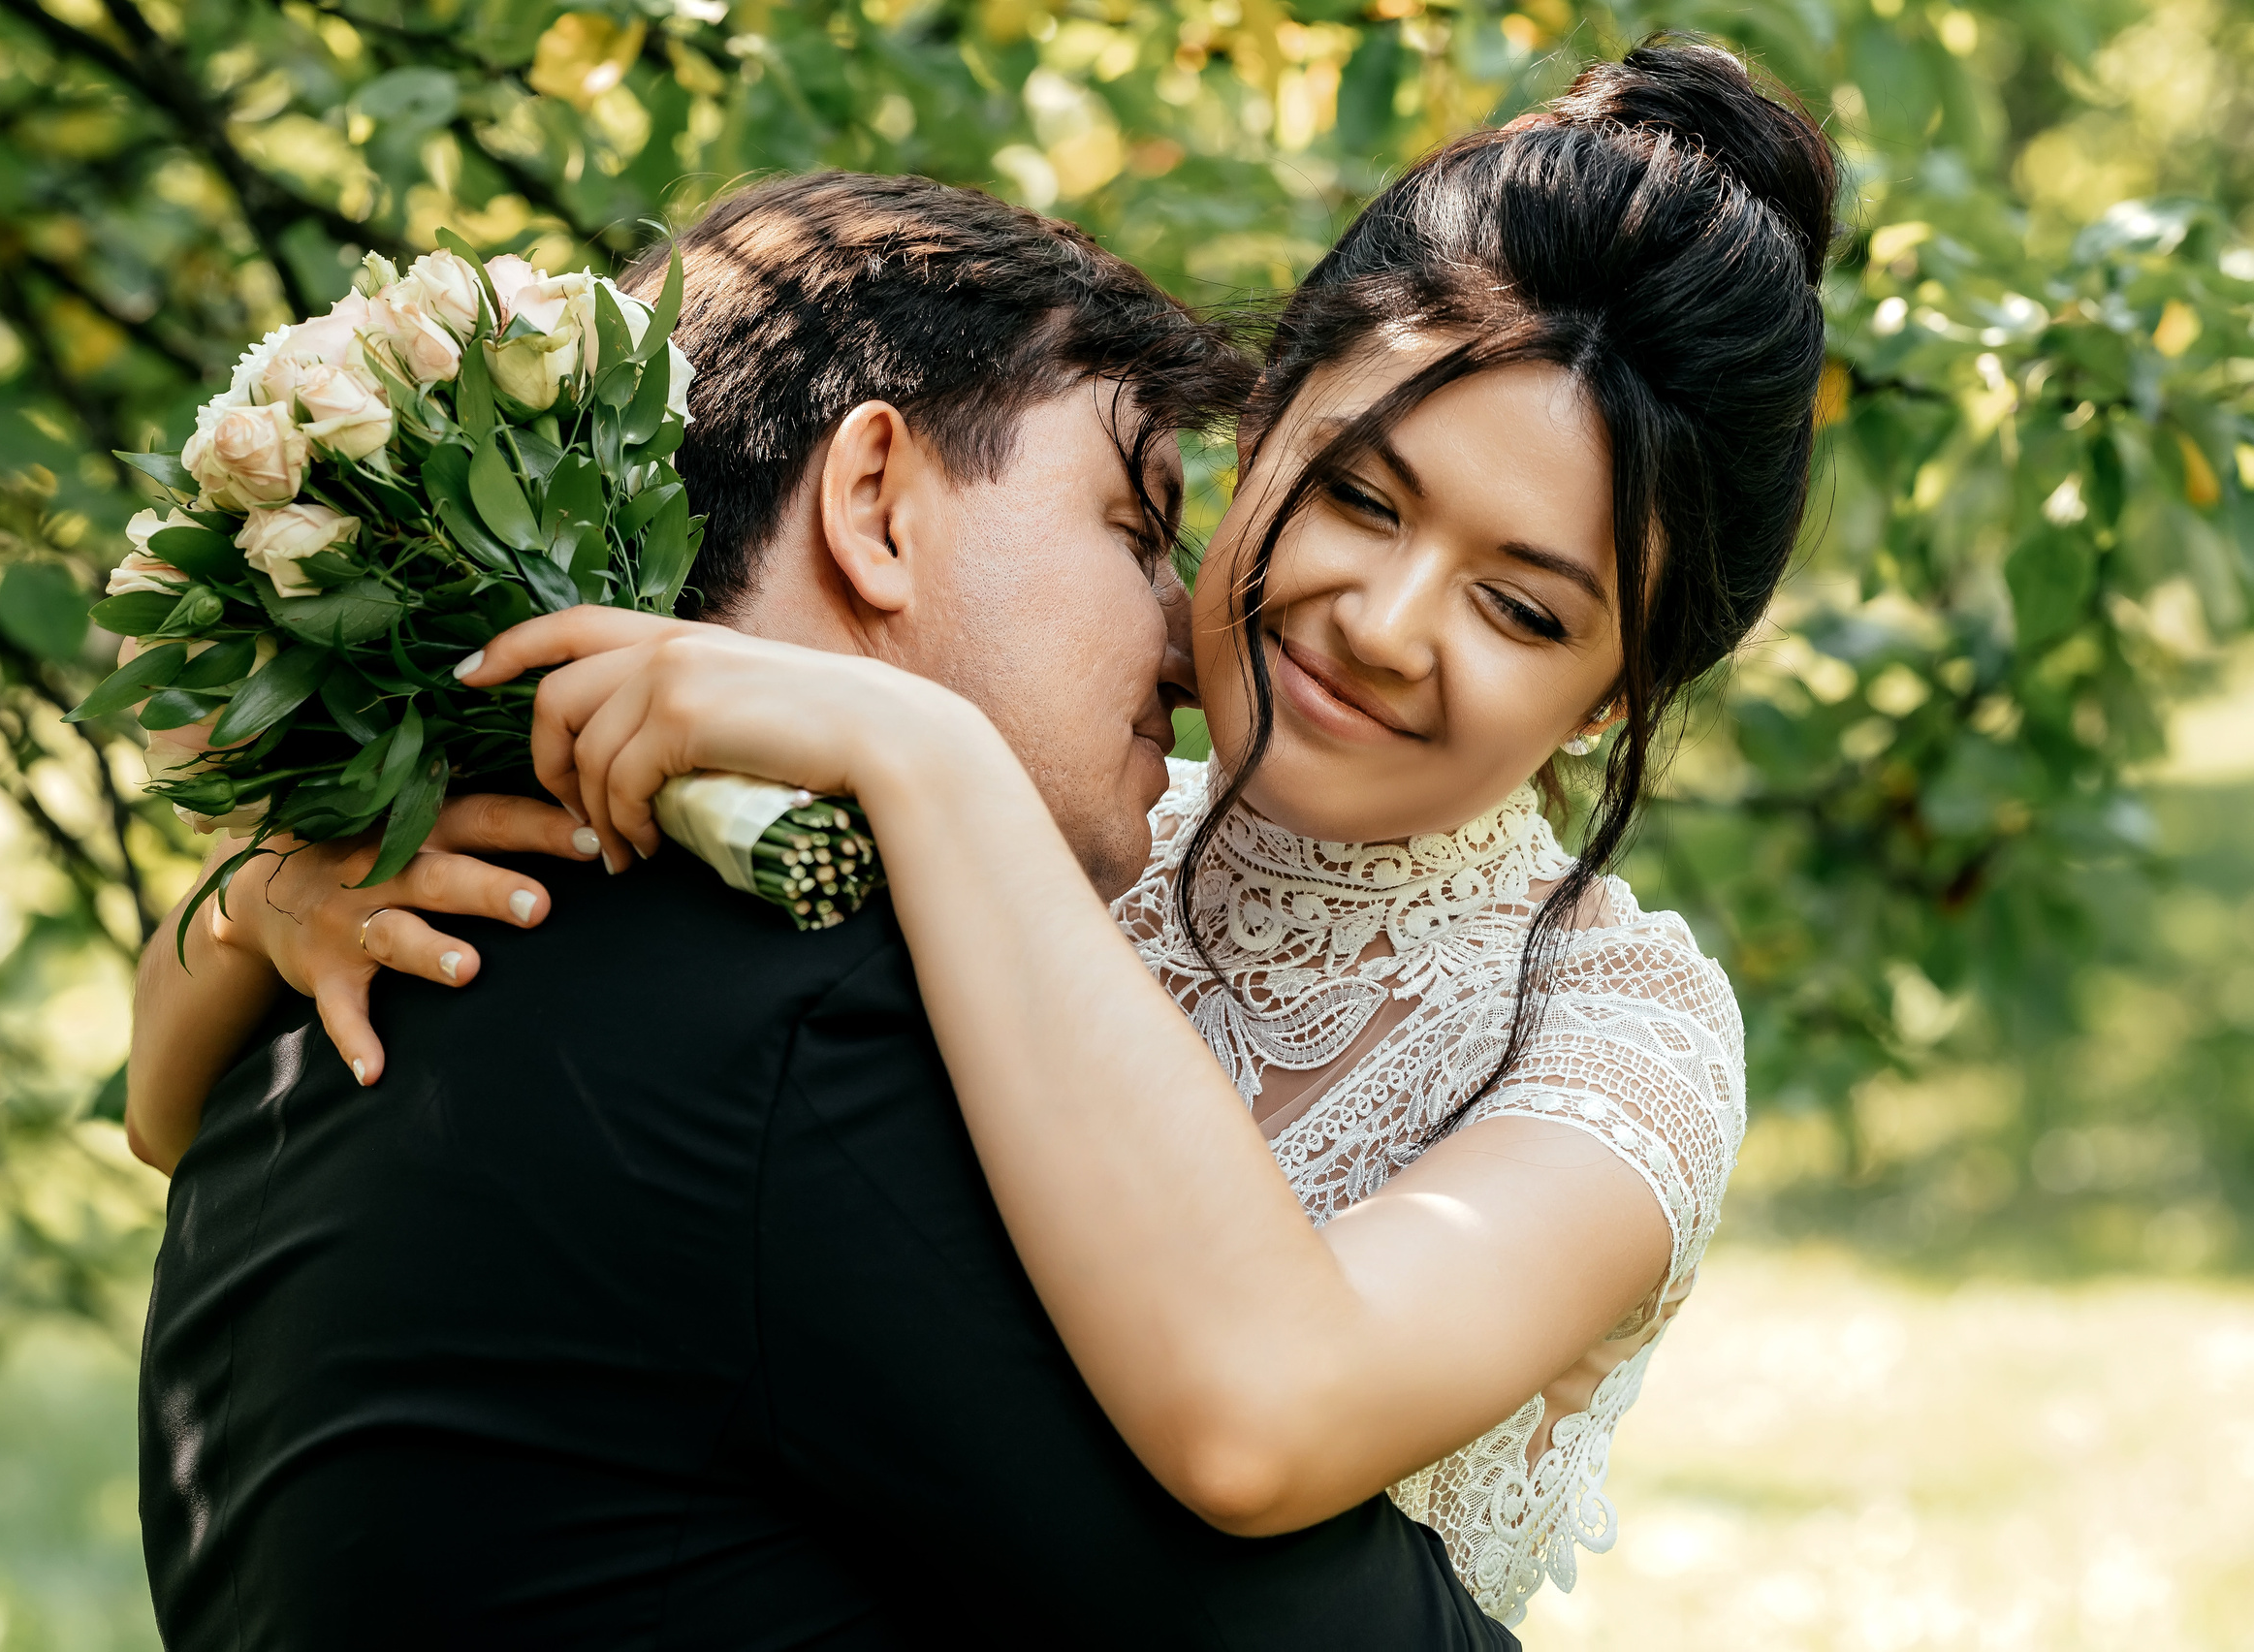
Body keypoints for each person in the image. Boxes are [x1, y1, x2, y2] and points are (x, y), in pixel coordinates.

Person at [139, 36, 1834, 1633]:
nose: (1387, 625)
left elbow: (1269, 1416)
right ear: (1265, 434)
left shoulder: (1613, 1038)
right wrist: (266, 898)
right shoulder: (1079, 802)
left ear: (1617, 695)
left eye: (1524, 610)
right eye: (1361, 496)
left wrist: (928, 760)